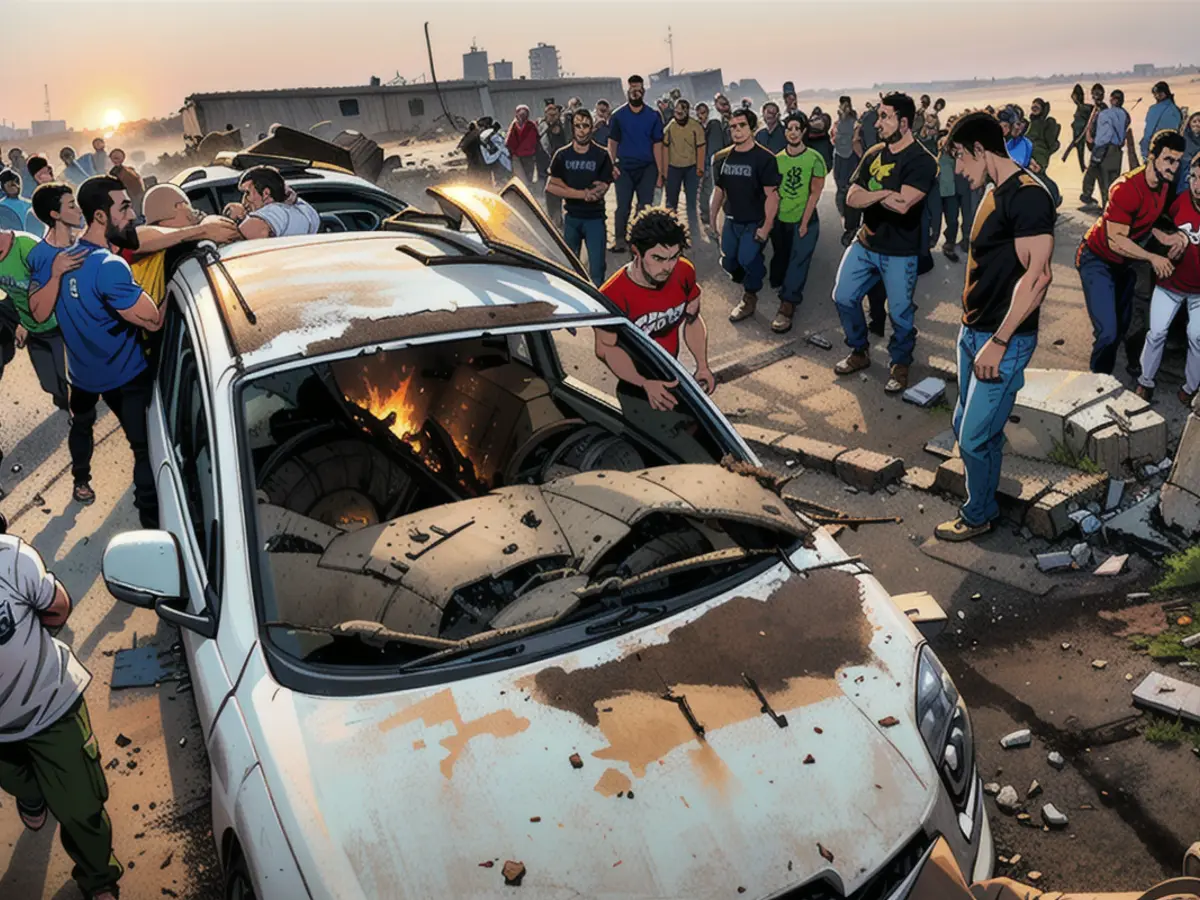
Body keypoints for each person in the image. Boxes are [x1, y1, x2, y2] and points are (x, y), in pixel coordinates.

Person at [932, 112, 1055, 542]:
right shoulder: (991, 191)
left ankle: (979, 514)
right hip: (974, 334)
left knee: (971, 438)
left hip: (1002, 342)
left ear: (981, 150)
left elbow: (1037, 278)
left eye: (961, 159)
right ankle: (986, 492)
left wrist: (999, 342)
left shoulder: (1028, 196)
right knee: (972, 427)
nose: (959, 170)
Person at [28, 175, 167, 522]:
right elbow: (152, 321)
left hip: (83, 377)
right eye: (124, 207)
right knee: (144, 450)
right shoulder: (109, 266)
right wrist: (177, 287)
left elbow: (38, 312)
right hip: (127, 377)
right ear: (102, 217)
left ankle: (81, 481)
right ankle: (152, 520)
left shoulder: (62, 259)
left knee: (81, 425)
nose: (132, 214)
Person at [0, 523, 123, 900]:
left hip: (52, 707)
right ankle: (32, 793)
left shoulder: (12, 558)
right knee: (18, 779)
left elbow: (57, 607)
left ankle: (99, 880)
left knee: (81, 808)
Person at [832, 92, 936, 393]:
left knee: (900, 313)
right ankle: (859, 351)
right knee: (843, 297)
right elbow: (852, 197)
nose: (877, 123)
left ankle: (900, 362)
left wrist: (875, 196)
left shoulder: (922, 161)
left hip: (901, 252)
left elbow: (904, 204)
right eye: (879, 116)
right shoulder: (874, 153)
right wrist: (882, 194)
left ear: (904, 122)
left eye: (884, 117)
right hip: (865, 243)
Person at [1077, 130, 1188, 375]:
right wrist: (1152, 257)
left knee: (1123, 324)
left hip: (1124, 264)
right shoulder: (1125, 188)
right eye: (1169, 159)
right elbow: (1116, 240)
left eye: (1178, 161)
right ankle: (1097, 384)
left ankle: (1115, 368)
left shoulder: (1162, 186)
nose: (1174, 167)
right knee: (1107, 331)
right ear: (1152, 157)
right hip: (1097, 260)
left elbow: (1149, 221)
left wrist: (1170, 238)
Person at [597, 207, 715, 421]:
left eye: (673, 257)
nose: (668, 267)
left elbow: (693, 320)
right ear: (637, 252)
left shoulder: (684, 271)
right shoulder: (611, 295)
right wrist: (643, 383)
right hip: (634, 384)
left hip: (672, 370)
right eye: (658, 258)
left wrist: (702, 366)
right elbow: (605, 348)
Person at [1136, 151, 1200, 406]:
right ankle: (1145, 381)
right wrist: (1167, 239)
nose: (1198, 185)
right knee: (1156, 333)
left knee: (1197, 337)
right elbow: (1153, 223)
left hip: (1199, 293)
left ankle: (1190, 387)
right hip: (1170, 284)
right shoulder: (1179, 201)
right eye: (1194, 177)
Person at [709, 107, 781, 324]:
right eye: (733, 127)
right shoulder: (722, 158)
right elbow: (719, 191)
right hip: (731, 220)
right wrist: (712, 220)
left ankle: (750, 295)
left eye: (742, 126)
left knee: (747, 258)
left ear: (751, 128)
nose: (737, 131)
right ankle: (748, 273)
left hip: (755, 221)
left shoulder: (765, 158)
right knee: (729, 261)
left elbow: (772, 196)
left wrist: (766, 227)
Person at [7, 186, 74, 410]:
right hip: (32, 328)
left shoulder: (26, 246)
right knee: (49, 385)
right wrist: (16, 323)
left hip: (59, 323)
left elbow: (58, 278)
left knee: (69, 380)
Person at [128, 183, 241, 305]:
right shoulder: (183, 249)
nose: (194, 210)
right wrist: (203, 230)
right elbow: (135, 239)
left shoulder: (152, 255)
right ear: (179, 206)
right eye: (188, 205)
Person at [771, 111, 826, 333]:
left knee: (798, 260)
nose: (793, 133)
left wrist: (804, 222)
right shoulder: (777, 160)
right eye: (789, 128)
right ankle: (785, 287)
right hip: (781, 219)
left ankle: (787, 305)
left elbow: (814, 194)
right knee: (783, 259)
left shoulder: (815, 159)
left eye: (797, 128)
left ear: (804, 131)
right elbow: (773, 192)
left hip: (806, 220)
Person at [547, 108, 614, 286]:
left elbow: (601, 189)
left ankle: (599, 308)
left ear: (592, 127)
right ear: (572, 128)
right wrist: (581, 193)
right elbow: (551, 186)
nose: (582, 130)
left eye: (585, 125)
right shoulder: (562, 155)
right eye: (578, 126)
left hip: (595, 219)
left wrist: (567, 189)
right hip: (572, 219)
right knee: (569, 269)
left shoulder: (602, 154)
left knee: (597, 270)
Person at [607, 75, 666, 254]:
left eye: (638, 90)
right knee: (622, 206)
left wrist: (660, 173)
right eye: (632, 90)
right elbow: (612, 142)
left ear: (643, 92)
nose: (635, 93)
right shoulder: (618, 116)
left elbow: (658, 145)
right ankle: (619, 239)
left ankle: (639, 239)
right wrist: (612, 165)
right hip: (624, 167)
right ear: (628, 92)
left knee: (645, 206)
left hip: (648, 167)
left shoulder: (654, 116)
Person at [223, 166, 320, 238]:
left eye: (247, 193)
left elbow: (245, 232)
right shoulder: (305, 210)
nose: (244, 201)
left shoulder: (273, 211)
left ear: (266, 193)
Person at [662, 98, 706, 242]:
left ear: (687, 111)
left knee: (691, 203)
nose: (679, 114)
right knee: (671, 203)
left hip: (691, 169)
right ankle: (671, 232)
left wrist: (700, 168)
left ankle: (695, 234)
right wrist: (664, 171)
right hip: (673, 168)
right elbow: (664, 148)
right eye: (676, 111)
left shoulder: (696, 127)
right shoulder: (670, 127)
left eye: (682, 111)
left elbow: (701, 148)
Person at [1081, 89, 1129, 208]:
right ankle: (1115, 209)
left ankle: (1106, 210)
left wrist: (1094, 144)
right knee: (1114, 183)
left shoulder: (1105, 114)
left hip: (1105, 151)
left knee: (1104, 183)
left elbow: (1103, 137)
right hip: (1117, 151)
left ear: (1112, 99)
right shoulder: (1124, 114)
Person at [833, 96, 862, 246]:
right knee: (842, 193)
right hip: (841, 160)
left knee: (850, 193)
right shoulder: (837, 124)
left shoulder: (855, 124)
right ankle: (849, 225)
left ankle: (851, 227)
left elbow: (855, 143)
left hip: (850, 160)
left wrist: (863, 160)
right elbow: (834, 140)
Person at [696, 102, 728, 236]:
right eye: (699, 112)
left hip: (714, 165)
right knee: (706, 193)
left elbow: (717, 148)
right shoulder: (699, 127)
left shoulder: (714, 125)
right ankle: (709, 222)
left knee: (711, 193)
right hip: (706, 165)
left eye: (703, 112)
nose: (701, 115)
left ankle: (712, 223)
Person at [1026, 98, 1062, 207]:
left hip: (1039, 155)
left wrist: (1045, 152)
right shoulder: (1031, 122)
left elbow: (1051, 143)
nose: (1034, 109)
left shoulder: (1046, 123)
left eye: (1037, 107)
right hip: (1029, 153)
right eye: (1033, 107)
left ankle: (1054, 198)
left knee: (1039, 177)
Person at [537, 104, 568, 226]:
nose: (552, 117)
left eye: (555, 115)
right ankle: (554, 221)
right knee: (550, 195)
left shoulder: (565, 127)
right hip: (547, 166)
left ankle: (561, 219)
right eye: (550, 115)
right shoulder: (543, 128)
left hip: (564, 166)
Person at [1142, 81, 1183, 164]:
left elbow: (1148, 132)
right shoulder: (1176, 109)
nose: (1156, 96)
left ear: (1165, 93)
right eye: (1155, 94)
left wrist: (1145, 151)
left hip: (1155, 149)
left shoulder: (1154, 109)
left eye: (1159, 93)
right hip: (1174, 150)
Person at [505, 105, 539, 185]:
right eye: (520, 114)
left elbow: (534, 139)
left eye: (524, 114)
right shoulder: (513, 126)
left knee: (529, 175)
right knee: (519, 176)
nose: (522, 116)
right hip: (517, 156)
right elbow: (509, 140)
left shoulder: (531, 125)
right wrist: (513, 152)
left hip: (529, 155)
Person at [1064, 83, 1093, 173]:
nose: (1073, 98)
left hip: (1080, 134)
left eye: (1074, 96)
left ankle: (1082, 168)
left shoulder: (1085, 108)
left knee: (1081, 153)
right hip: (1078, 134)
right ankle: (1082, 167)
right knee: (1079, 153)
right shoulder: (1082, 108)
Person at [107, 149, 145, 216]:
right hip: (133, 197)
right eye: (114, 158)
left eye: (118, 158)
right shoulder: (116, 171)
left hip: (133, 197)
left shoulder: (127, 170)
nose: (116, 160)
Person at [0, 169, 39, 233]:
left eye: (16, 184)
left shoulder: (30, 204)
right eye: (10, 185)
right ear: (4, 188)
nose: (14, 188)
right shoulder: (2, 207)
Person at [1178, 113, 1200, 195]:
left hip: (1194, 167)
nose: (1197, 124)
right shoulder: (1186, 134)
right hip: (1182, 165)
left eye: (1199, 121)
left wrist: (1193, 161)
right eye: (1194, 121)